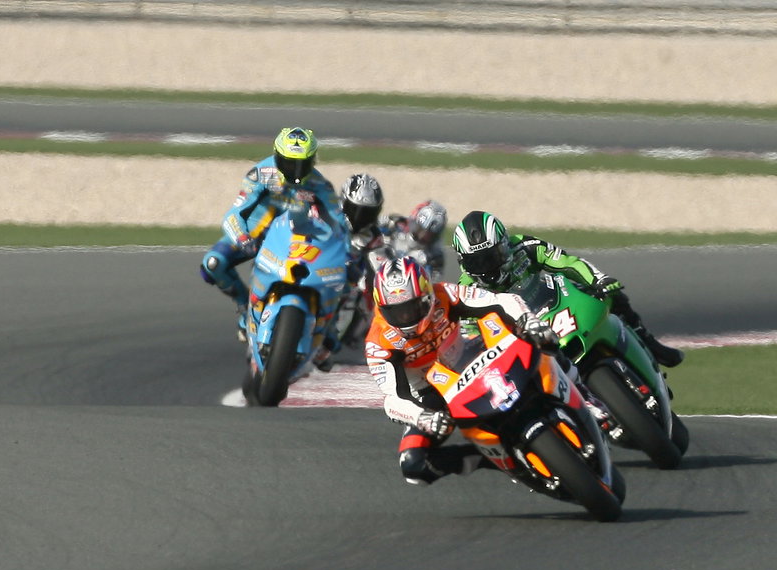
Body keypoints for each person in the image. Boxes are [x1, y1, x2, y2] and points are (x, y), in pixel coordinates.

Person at [363, 254, 565, 486]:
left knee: (540, 338)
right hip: (432, 395)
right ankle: (503, 460)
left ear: (427, 295)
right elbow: (392, 400)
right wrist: (423, 417)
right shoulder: (378, 342)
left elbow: (500, 301)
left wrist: (527, 320)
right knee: (413, 467)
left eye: (412, 308)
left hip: (469, 355)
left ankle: (583, 396)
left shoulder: (445, 294)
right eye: (395, 312)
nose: (405, 318)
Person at [450, 210, 683, 368]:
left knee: (611, 294)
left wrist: (599, 280)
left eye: (492, 257)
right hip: (521, 334)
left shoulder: (525, 246)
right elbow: (469, 334)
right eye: (477, 262)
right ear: (463, 262)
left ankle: (648, 342)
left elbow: (567, 263)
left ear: (505, 245)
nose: (487, 267)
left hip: (553, 302)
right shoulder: (464, 289)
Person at [200, 127, 348, 337]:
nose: (295, 171)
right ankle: (244, 305)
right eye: (289, 163)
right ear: (277, 155)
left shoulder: (320, 185)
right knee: (212, 264)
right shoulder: (260, 174)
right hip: (253, 236)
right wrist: (242, 237)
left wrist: (345, 251)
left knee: (340, 279)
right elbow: (234, 214)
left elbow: (339, 223)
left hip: (293, 242)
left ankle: (326, 331)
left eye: (302, 164)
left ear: (313, 161)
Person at [337, 172, 389, 348]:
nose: (360, 218)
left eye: (367, 213)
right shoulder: (326, 217)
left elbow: (382, 269)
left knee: (364, 296)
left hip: (345, 282)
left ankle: (337, 341)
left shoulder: (373, 237)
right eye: (356, 210)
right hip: (314, 267)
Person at [385, 199, 451, 278]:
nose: (422, 236)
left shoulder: (435, 258)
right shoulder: (396, 225)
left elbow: (432, 284)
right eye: (420, 229)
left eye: (428, 234)